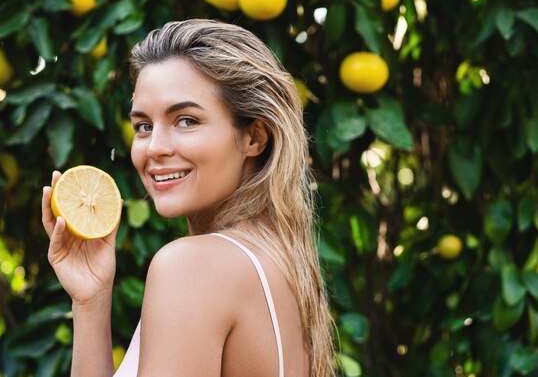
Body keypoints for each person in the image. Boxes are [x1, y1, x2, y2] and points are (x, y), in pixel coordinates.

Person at [41, 19, 338, 377]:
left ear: (254, 137)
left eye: (186, 121)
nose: (156, 148)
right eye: (143, 126)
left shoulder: (192, 266)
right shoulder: (282, 266)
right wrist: (91, 301)